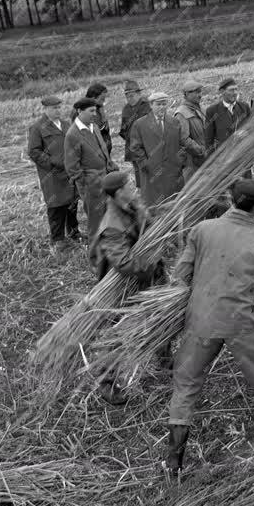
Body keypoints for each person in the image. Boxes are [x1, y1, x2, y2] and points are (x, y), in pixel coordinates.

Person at [165, 179, 254, 476]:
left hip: (201, 320)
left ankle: (173, 462)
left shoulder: (202, 230)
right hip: (239, 322)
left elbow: (181, 274)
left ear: (230, 199)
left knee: (186, 384)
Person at [89, 171, 168, 404]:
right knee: (118, 332)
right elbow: (123, 263)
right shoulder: (111, 225)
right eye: (128, 184)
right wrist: (152, 260)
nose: (133, 185)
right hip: (124, 286)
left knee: (162, 315)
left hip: (148, 276)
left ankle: (165, 361)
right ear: (118, 192)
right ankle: (107, 381)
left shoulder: (133, 204)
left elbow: (149, 226)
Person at [27, 95, 81, 249]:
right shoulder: (37, 128)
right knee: (56, 205)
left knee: (72, 202)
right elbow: (34, 152)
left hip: (69, 172)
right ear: (45, 109)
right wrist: (52, 163)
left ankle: (74, 232)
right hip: (52, 175)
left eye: (59, 107)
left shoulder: (66, 124)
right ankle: (57, 240)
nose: (58, 110)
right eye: (54, 108)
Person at [64, 97, 118, 245]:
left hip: (105, 178)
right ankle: (96, 254)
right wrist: (86, 184)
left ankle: (108, 246)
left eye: (96, 110)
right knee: (95, 220)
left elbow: (103, 150)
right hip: (90, 184)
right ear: (80, 111)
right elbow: (72, 166)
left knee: (108, 215)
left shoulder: (94, 126)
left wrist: (109, 165)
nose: (95, 114)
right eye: (91, 111)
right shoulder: (73, 134)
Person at [129, 92, 186, 208]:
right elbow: (135, 148)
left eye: (164, 104)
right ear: (151, 105)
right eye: (158, 104)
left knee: (173, 206)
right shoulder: (140, 124)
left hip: (173, 172)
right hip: (152, 173)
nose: (162, 107)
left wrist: (180, 160)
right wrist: (146, 164)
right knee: (154, 207)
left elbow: (181, 143)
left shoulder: (174, 122)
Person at [204, 78, 251, 154]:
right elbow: (208, 138)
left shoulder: (244, 107)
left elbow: (251, 128)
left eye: (236, 89)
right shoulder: (212, 111)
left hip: (243, 154)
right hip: (223, 156)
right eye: (231, 90)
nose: (235, 93)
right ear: (222, 92)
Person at [119, 79, 151, 188]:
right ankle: (141, 191)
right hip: (132, 146)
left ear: (139, 94)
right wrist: (132, 140)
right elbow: (123, 130)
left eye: (131, 96)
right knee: (138, 170)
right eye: (127, 96)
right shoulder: (126, 109)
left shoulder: (147, 105)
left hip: (147, 146)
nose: (129, 99)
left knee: (149, 169)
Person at [174, 81, 207, 182]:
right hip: (192, 162)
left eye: (200, 92)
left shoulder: (201, 109)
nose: (200, 95)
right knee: (195, 192)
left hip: (206, 159)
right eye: (196, 92)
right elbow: (184, 139)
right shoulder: (181, 113)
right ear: (186, 94)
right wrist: (201, 151)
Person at [86, 83, 112, 156]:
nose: (104, 101)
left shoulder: (99, 108)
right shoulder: (83, 111)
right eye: (102, 99)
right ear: (93, 97)